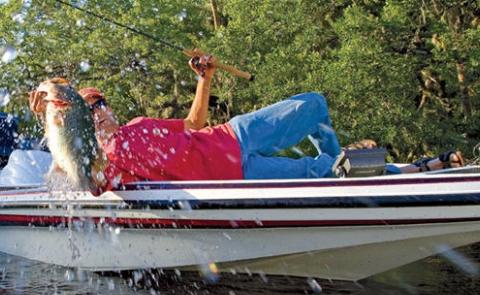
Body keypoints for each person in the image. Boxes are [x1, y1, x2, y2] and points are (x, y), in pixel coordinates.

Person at [29, 53, 464, 192]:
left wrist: (204, 77)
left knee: (312, 104)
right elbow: (78, 176)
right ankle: (402, 171)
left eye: (100, 103)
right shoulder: (107, 160)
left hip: (235, 133)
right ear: (79, 122)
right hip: (239, 174)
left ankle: (346, 167)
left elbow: (195, 121)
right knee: (321, 174)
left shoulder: (139, 124)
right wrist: (48, 104)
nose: (99, 110)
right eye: (90, 109)